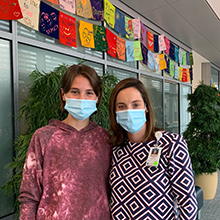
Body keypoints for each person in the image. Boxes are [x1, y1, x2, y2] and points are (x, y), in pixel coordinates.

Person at [18, 64, 112, 220]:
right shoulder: (43, 137)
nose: (82, 98)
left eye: (89, 93)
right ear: (63, 94)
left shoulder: (105, 139)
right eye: (75, 92)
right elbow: (29, 195)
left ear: (98, 97)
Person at [109, 78, 198, 220]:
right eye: (121, 106)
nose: (129, 111)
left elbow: (188, 204)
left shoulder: (171, 144)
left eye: (135, 104)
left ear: (146, 107)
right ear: (115, 112)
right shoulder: (116, 149)